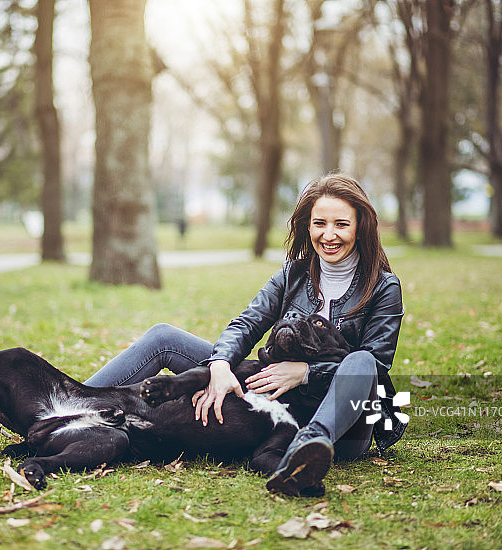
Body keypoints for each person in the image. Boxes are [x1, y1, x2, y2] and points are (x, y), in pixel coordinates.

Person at [85, 173, 405, 496]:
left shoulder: (382, 287)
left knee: (361, 359)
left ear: (360, 225)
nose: (329, 235)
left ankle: (310, 446)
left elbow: (375, 365)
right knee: (162, 337)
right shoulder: (293, 273)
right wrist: (220, 364)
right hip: (280, 396)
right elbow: (247, 323)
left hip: (345, 423)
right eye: (319, 223)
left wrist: (305, 374)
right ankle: (70, 404)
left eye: (341, 224)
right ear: (308, 226)